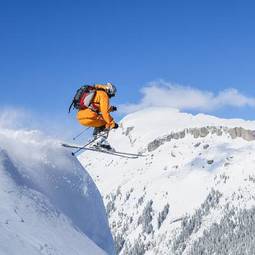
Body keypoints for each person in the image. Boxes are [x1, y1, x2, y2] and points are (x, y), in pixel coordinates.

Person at [76, 82, 118, 150]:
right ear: (109, 91)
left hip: (81, 117)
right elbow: (105, 112)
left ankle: (95, 141)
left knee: (100, 122)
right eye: (112, 94)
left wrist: (110, 109)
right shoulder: (104, 95)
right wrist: (112, 123)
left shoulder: (96, 92)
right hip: (90, 117)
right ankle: (100, 142)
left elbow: (95, 107)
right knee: (106, 123)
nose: (111, 96)